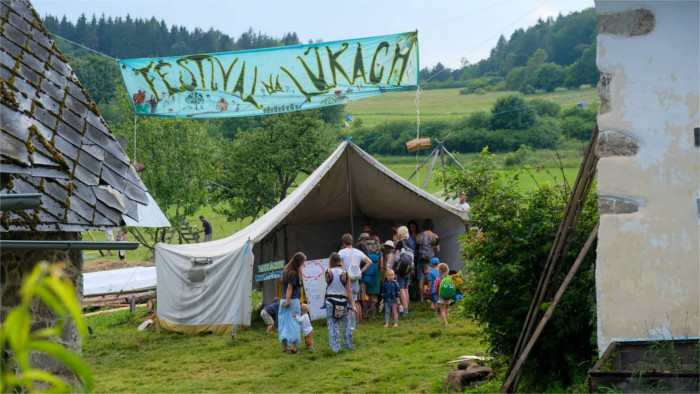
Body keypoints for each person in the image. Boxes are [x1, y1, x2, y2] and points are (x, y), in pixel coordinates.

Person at [338, 234, 372, 325]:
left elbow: (336, 261)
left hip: (346, 277)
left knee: (345, 300)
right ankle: (357, 320)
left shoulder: (342, 252)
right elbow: (369, 262)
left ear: (344, 243)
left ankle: (345, 322)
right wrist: (361, 271)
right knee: (355, 300)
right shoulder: (358, 252)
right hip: (356, 277)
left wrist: (341, 270)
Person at [325, 252, 356, 352]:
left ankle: (335, 348)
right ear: (340, 261)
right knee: (346, 323)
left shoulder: (328, 272)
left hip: (330, 301)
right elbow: (349, 290)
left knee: (333, 325)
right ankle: (348, 344)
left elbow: (328, 285)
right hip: (343, 301)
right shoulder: (346, 273)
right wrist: (353, 304)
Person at [278, 252, 305, 354]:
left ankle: (284, 347)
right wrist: (288, 301)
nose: (302, 264)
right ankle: (293, 347)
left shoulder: (286, 269)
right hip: (292, 300)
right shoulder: (293, 272)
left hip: (283, 299)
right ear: (298, 261)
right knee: (294, 322)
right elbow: (290, 287)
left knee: (284, 323)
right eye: (302, 262)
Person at [416, 219, 440, 303]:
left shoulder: (419, 235)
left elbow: (417, 245)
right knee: (431, 278)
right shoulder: (435, 236)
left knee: (421, 278)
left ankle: (422, 298)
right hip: (430, 259)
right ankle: (430, 297)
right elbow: (438, 249)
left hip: (421, 258)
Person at [394, 226, 413, 317]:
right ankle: (407, 308)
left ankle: (405, 310)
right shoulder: (409, 243)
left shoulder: (400, 243)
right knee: (406, 288)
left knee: (401, 289)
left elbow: (396, 256)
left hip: (400, 269)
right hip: (408, 268)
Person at [364, 235, 383, 318]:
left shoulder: (365, 250)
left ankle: (365, 313)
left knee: (366, 295)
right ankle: (373, 315)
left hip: (366, 274)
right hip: (376, 274)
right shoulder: (379, 251)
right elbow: (381, 265)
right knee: (374, 295)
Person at [435, 263, 451, 327]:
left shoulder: (438, 279)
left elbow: (435, 288)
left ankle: (444, 323)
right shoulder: (448, 279)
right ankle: (446, 320)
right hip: (448, 296)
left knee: (442, 309)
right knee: (447, 308)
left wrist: (438, 292)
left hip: (441, 296)